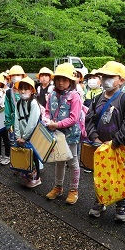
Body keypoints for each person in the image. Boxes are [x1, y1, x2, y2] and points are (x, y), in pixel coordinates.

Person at [85, 61, 125, 221]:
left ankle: (121, 205)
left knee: (120, 175)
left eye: (110, 77)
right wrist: (95, 137)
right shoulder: (97, 98)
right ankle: (100, 200)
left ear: (121, 80)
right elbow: (89, 119)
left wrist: (115, 142)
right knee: (100, 176)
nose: (106, 80)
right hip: (100, 146)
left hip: (119, 147)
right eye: (104, 77)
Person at [44, 63, 82, 204]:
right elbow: (47, 111)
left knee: (72, 162)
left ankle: (74, 190)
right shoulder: (52, 94)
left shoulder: (75, 96)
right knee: (59, 161)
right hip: (56, 134)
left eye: (65, 80)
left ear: (71, 81)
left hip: (71, 135)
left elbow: (74, 118)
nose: (61, 82)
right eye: (59, 79)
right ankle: (58, 187)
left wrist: (57, 124)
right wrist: (47, 120)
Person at [14, 77, 42, 188]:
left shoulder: (34, 103)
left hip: (32, 136)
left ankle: (36, 178)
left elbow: (32, 123)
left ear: (32, 90)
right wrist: (17, 135)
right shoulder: (18, 103)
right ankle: (26, 176)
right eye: (21, 89)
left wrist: (24, 137)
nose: (23, 91)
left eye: (26, 89)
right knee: (24, 156)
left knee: (34, 157)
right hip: (21, 136)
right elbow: (16, 119)